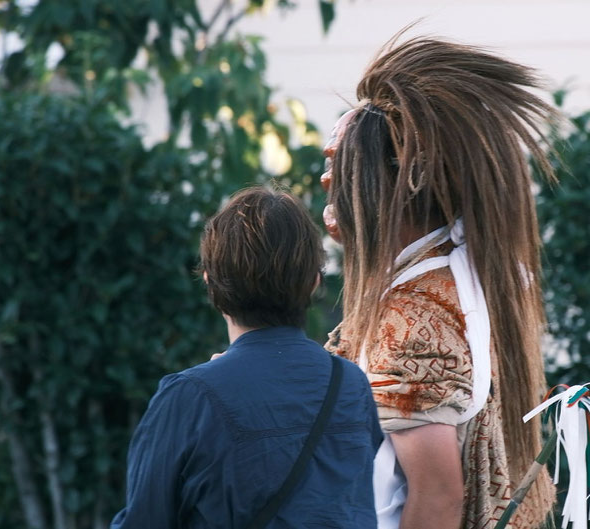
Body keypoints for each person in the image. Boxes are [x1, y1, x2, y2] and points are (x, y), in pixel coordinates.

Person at [322, 36, 557, 529]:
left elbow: (437, 499)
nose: (325, 181)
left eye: (338, 165)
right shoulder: (471, 275)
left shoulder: (410, 321)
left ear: (396, 184)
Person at [111, 186, 382, 528]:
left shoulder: (188, 398)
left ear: (210, 281)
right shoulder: (351, 384)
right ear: (315, 281)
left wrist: (207, 389)